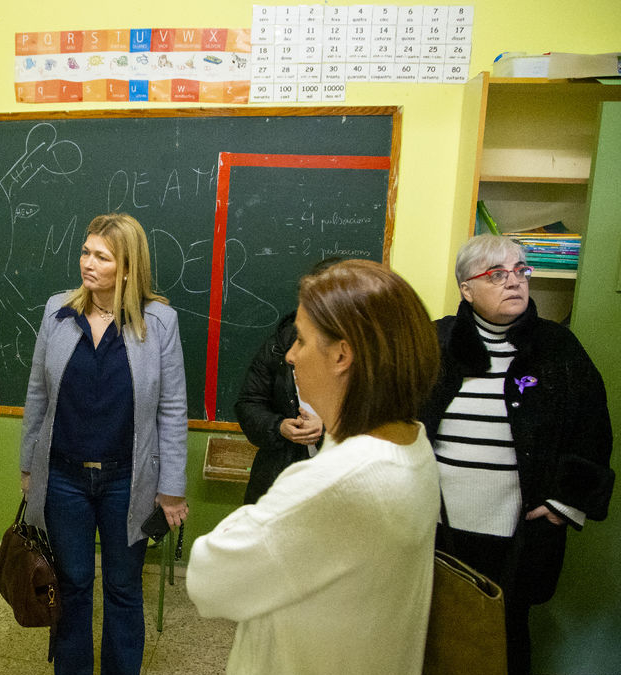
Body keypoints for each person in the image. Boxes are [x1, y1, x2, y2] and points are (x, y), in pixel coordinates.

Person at [187, 259, 441, 675]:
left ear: (343, 354)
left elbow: (208, 579)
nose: (290, 356)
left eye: (302, 341)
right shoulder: (413, 444)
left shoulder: (335, 483)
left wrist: (254, 520)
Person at [419, 234, 614, 675]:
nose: (515, 282)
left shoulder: (558, 349)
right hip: (437, 525)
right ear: (466, 288)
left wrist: (565, 503)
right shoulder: (435, 341)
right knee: (436, 637)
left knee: (505, 641)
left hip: (517, 531)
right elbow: (402, 419)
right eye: (497, 274)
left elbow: (592, 430)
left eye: (521, 270)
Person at [19, 213, 188, 675]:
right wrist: (29, 469)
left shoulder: (160, 322)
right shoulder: (58, 311)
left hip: (126, 482)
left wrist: (171, 487)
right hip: (64, 479)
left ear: (128, 268)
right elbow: (38, 393)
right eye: (85, 251)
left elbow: (172, 409)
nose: (87, 264)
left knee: (122, 588)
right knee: (71, 586)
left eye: (101, 256)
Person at [233, 259, 343, 504]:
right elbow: (249, 402)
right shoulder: (281, 343)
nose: (291, 357)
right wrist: (279, 426)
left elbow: (370, 422)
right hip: (277, 480)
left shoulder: (370, 360)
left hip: (334, 491)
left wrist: (327, 428)